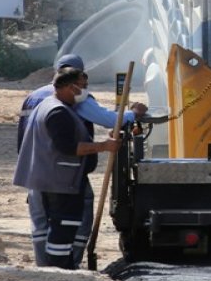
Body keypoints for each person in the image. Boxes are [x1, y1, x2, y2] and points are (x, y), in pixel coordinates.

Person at [16, 54, 146, 267]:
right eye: (81, 85)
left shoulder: (35, 98)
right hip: (64, 176)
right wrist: (133, 114)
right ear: (70, 84)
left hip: (36, 173)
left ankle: (44, 265)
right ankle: (66, 266)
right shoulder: (64, 104)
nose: (83, 90)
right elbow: (109, 121)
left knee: (41, 225)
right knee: (70, 223)